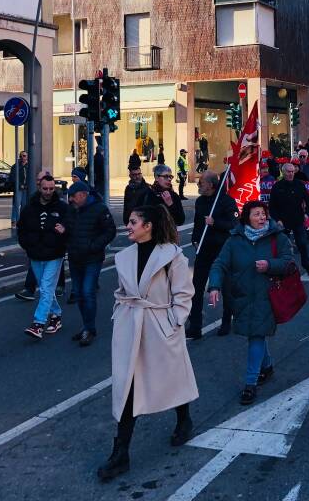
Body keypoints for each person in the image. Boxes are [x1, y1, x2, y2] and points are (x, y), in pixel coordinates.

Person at [98, 205, 198, 483]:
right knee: (127, 387)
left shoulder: (171, 256)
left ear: (148, 225)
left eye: (132, 222)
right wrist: (120, 311)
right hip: (131, 326)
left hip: (159, 323)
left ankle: (184, 419)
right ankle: (120, 454)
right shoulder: (124, 256)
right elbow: (121, 290)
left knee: (173, 378)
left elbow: (184, 292)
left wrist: (175, 321)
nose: (127, 226)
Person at [208, 200, 295, 406]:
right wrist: (214, 286)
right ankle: (267, 366)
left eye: (264, 214)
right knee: (255, 332)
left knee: (256, 335)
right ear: (247, 217)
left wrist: (270, 265)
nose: (261, 218)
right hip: (242, 295)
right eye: (256, 214)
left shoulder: (277, 237)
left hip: (267, 295)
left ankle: (250, 383)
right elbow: (220, 264)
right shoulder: (235, 240)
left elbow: (289, 262)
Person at [17, 174, 72, 339]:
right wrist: (27, 245)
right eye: (45, 188)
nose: (48, 191)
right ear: (39, 187)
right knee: (45, 289)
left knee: (47, 288)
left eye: (51, 188)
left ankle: (38, 323)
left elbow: (70, 225)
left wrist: (65, 231)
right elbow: (21, 229)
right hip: (35, 254)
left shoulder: (62, 208)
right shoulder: (29, 208)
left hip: (54, 254)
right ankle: (56, 315)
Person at [188, 171, 238, 339]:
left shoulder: (226, 202)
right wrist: (194, 239)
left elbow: (234, 225)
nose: (198, 184)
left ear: (211, 184)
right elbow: (197, 222)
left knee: (225, 287)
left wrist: (215, 223)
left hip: (221, 250)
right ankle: (195, 325)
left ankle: (226, 320)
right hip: (203, 249)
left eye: (201, 182)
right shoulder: (200, 202)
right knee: (196, 287)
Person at [67, 181, 117, 346]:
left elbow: (110, 230)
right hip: (75, 258)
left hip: (92, 258)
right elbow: (69, 229)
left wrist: (94, 246)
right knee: (79, 294)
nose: (71, 200)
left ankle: (89, 328)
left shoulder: (99, 209)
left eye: (73, 197)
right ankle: (86, 326)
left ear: (82, 195)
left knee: (88, 292)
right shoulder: (72, 210)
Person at [269, 162, 309, 276]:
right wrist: (277, 219)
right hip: (283, 221)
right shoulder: (277, 187)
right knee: (283, 246)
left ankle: (306, 263)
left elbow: (308, 200)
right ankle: (285, 268)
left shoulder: (299, 184)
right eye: (288, 172)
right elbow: (272, 207)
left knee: (302, 243)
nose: (291, 174)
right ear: (283, 173)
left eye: (292, 172)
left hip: (298, 219)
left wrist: (307, 213)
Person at [9, 150, 30, 227]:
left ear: (27, 157)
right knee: (16, 204)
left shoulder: (29, 166)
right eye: (21, 156)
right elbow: (13, 177)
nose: (23, 157)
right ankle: (14, 220)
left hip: (26, 188)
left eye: (24, 156)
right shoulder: (16, 166)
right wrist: (19, 184)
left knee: (24, 205)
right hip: (18, 188)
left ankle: (22, 220)